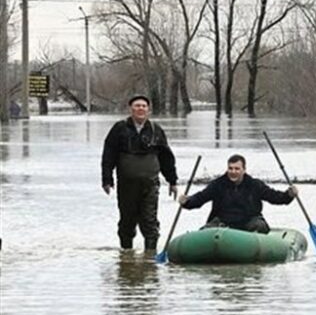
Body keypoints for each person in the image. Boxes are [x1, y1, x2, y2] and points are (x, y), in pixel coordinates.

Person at [101, 94, 178, 251]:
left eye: (144, 106)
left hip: (150, 185)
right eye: (137, 106)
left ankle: (150, 259)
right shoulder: (119, 129)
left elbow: (166, 157)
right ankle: (126, 257)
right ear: (131, 109)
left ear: (148, 110)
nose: (140, 109)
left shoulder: (156, 130)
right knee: (127, 222)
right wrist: (106, 180)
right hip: (126, 184)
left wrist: (172, 181)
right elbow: (108, 155)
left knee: (150, 222)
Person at [178, 154, 298, 233]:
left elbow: (275, 197)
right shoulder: (218, 184)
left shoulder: (254, 184)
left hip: (249, 222)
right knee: (206, 231)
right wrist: (187, 201)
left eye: (237, 169)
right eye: (230, 168)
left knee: (260, 226)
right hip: (223, 223)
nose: (233, 172)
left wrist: (288, 195)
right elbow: (200, 198)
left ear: (244, 170)